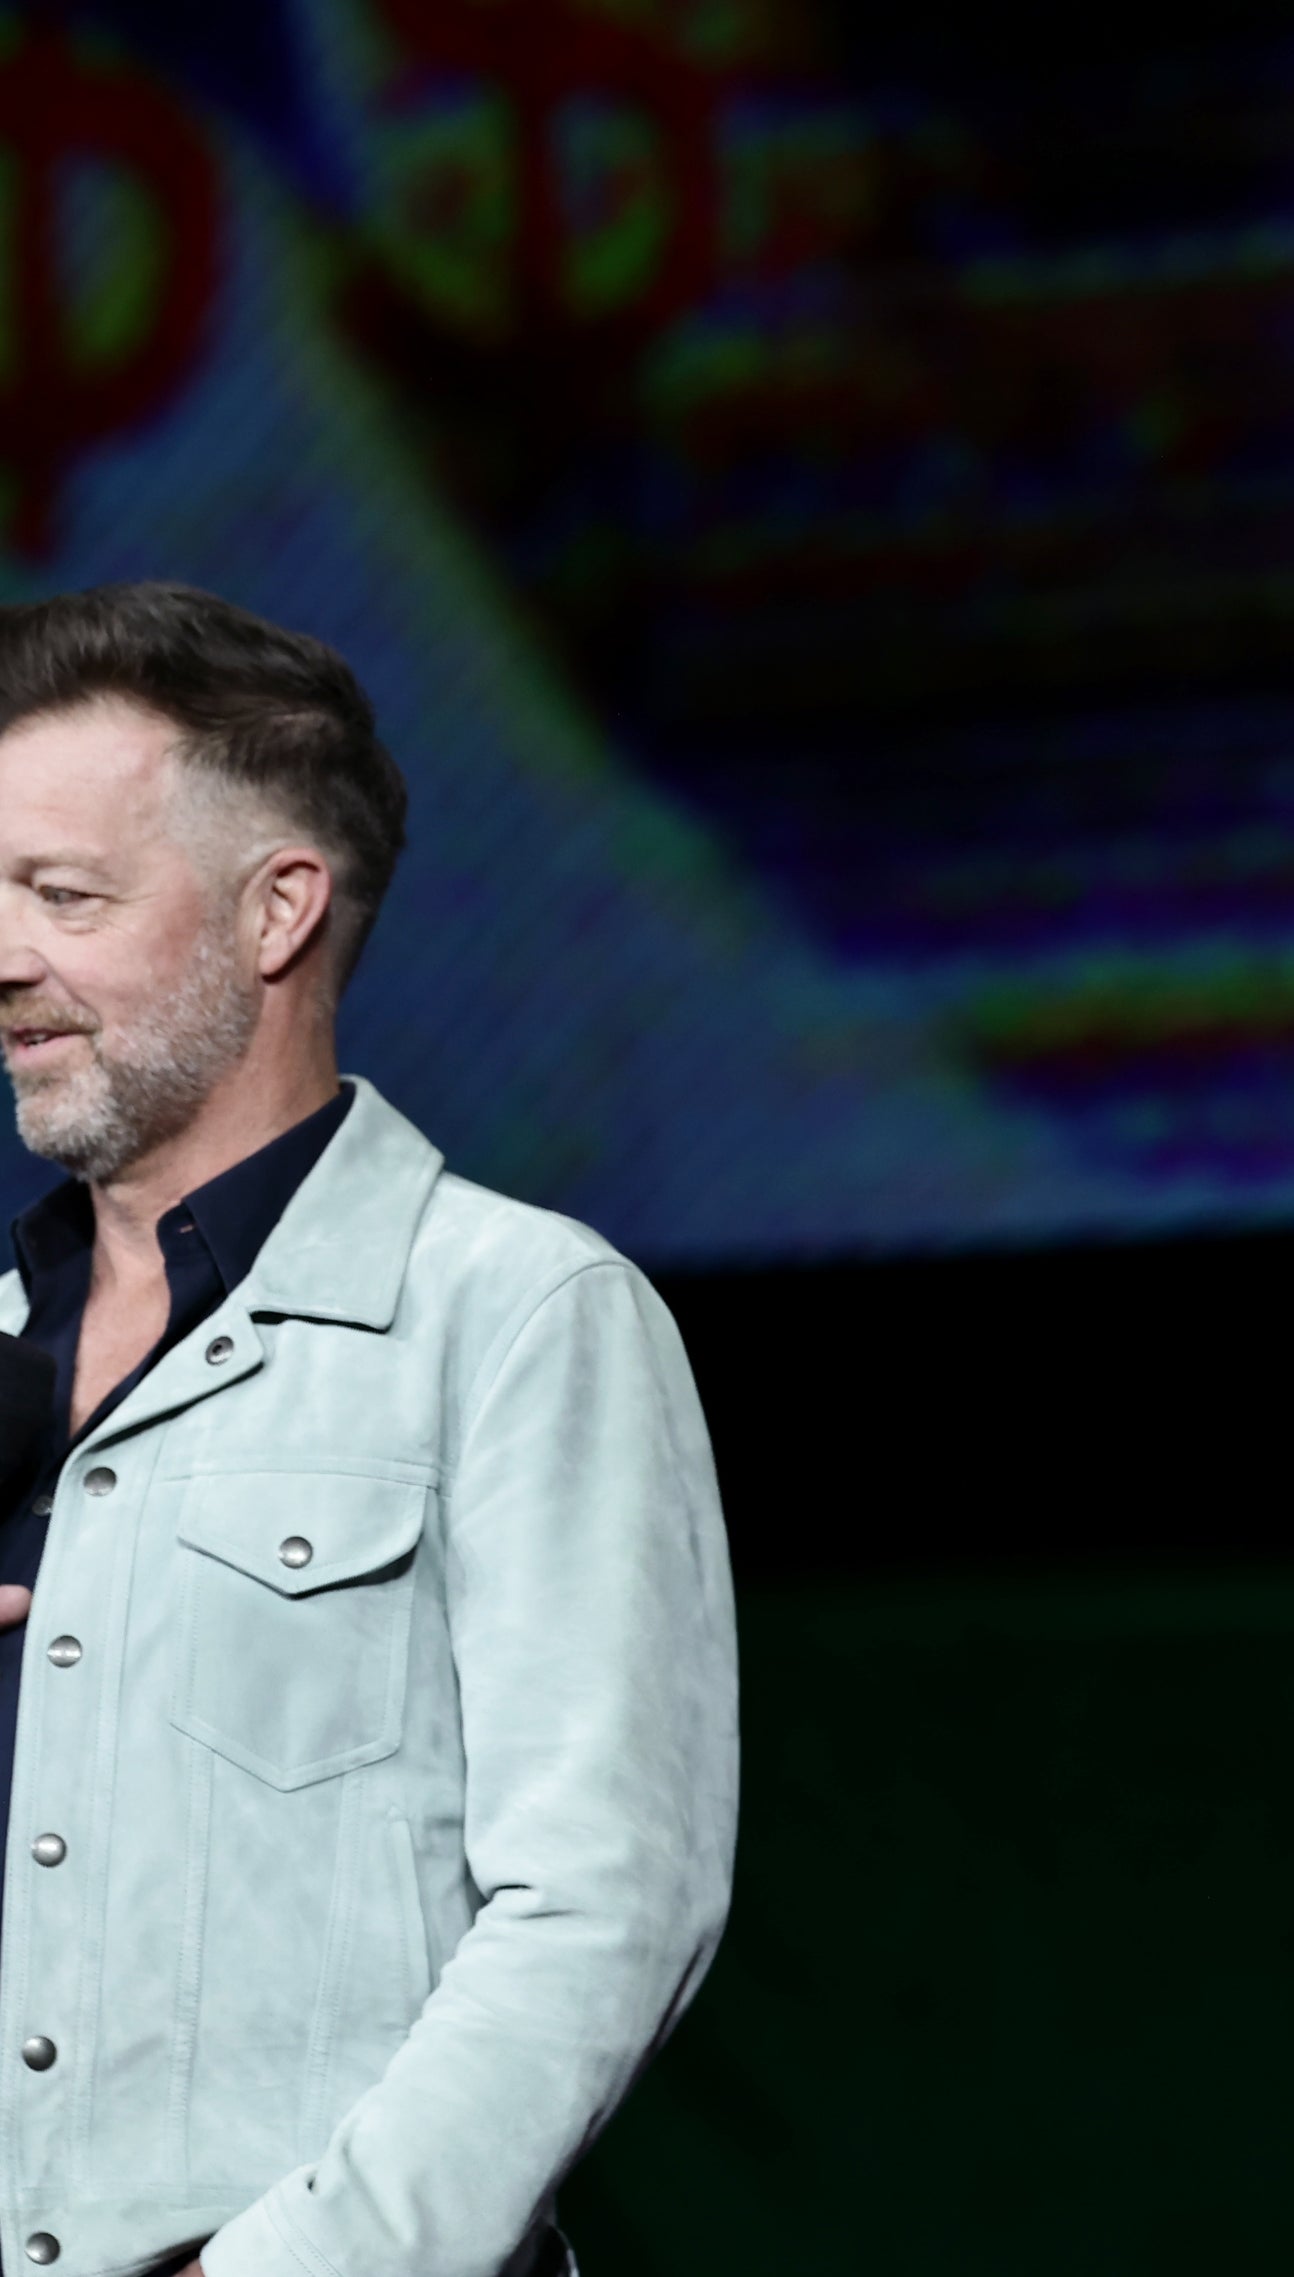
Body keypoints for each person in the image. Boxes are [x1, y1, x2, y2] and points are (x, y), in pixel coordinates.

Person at [0, 583, 737, 2277]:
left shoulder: (510, 1313)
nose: (4, 952)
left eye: (64, 893)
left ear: (278, 910)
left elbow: (604, 1905)